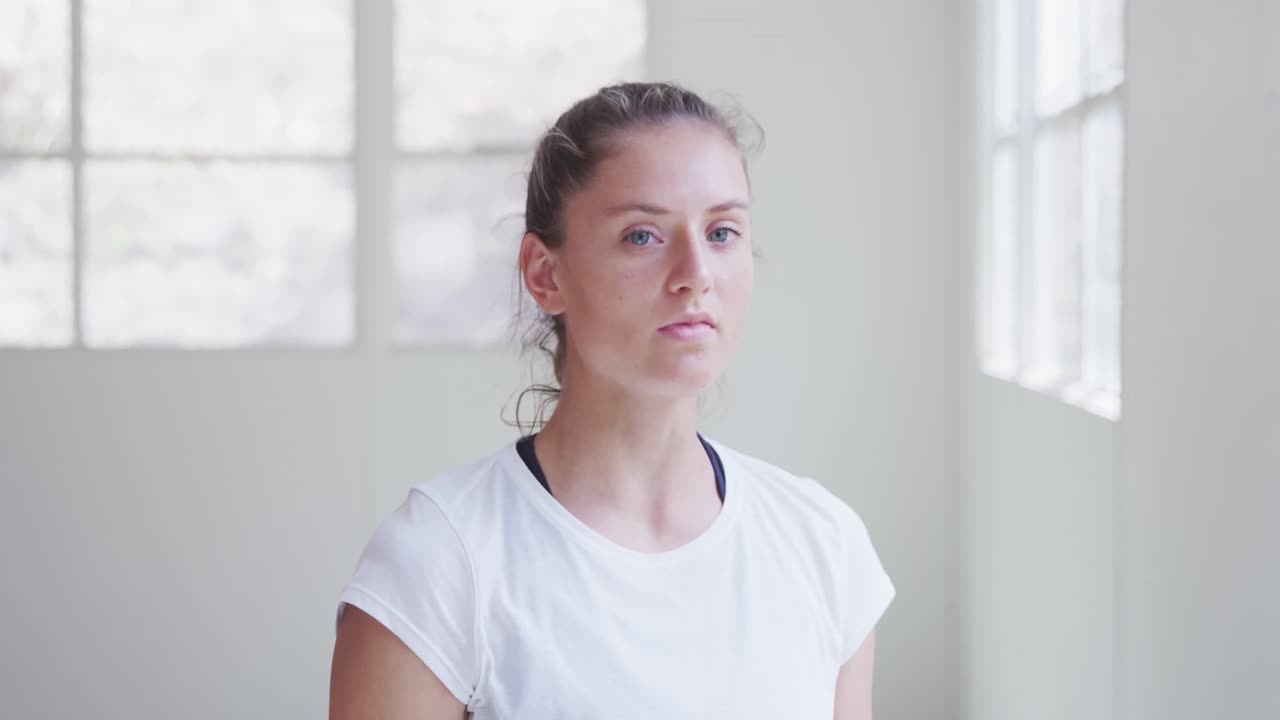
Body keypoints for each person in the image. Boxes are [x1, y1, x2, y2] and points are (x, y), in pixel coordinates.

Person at [329, 81, 895, 719]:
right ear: (545, 273)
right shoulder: (439, 562)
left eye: (722, 231)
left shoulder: (824, 546)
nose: (696, 274)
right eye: (642, 236)